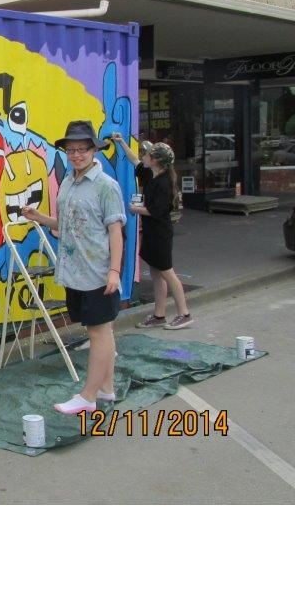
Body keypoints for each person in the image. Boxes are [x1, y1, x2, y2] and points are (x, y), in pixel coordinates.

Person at [23, 119, 125, 415]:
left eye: (82, 149)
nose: (76, 154)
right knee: (101, 329)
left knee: (98, 332)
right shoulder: (68, 181)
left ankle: (88, 396)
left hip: (98, 271)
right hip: (74, 270)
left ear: (94, 150)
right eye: (71, 149)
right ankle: (106, 389)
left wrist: (114, 271)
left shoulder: (107, 186)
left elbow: (116, 231)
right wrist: (39, 217)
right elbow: (66, 226)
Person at [127, 141, 192, 329]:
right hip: (151, 231)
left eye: (147, 154)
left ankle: (184, 313)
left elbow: (158, 211)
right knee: (157, 275)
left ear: (155, 160)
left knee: (167, 273)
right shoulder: (151, 174)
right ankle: (159, 315)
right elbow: (134, 161)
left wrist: (136, 209)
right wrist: (121, 142)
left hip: (160, 233)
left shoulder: (164, 183)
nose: (143, 156)